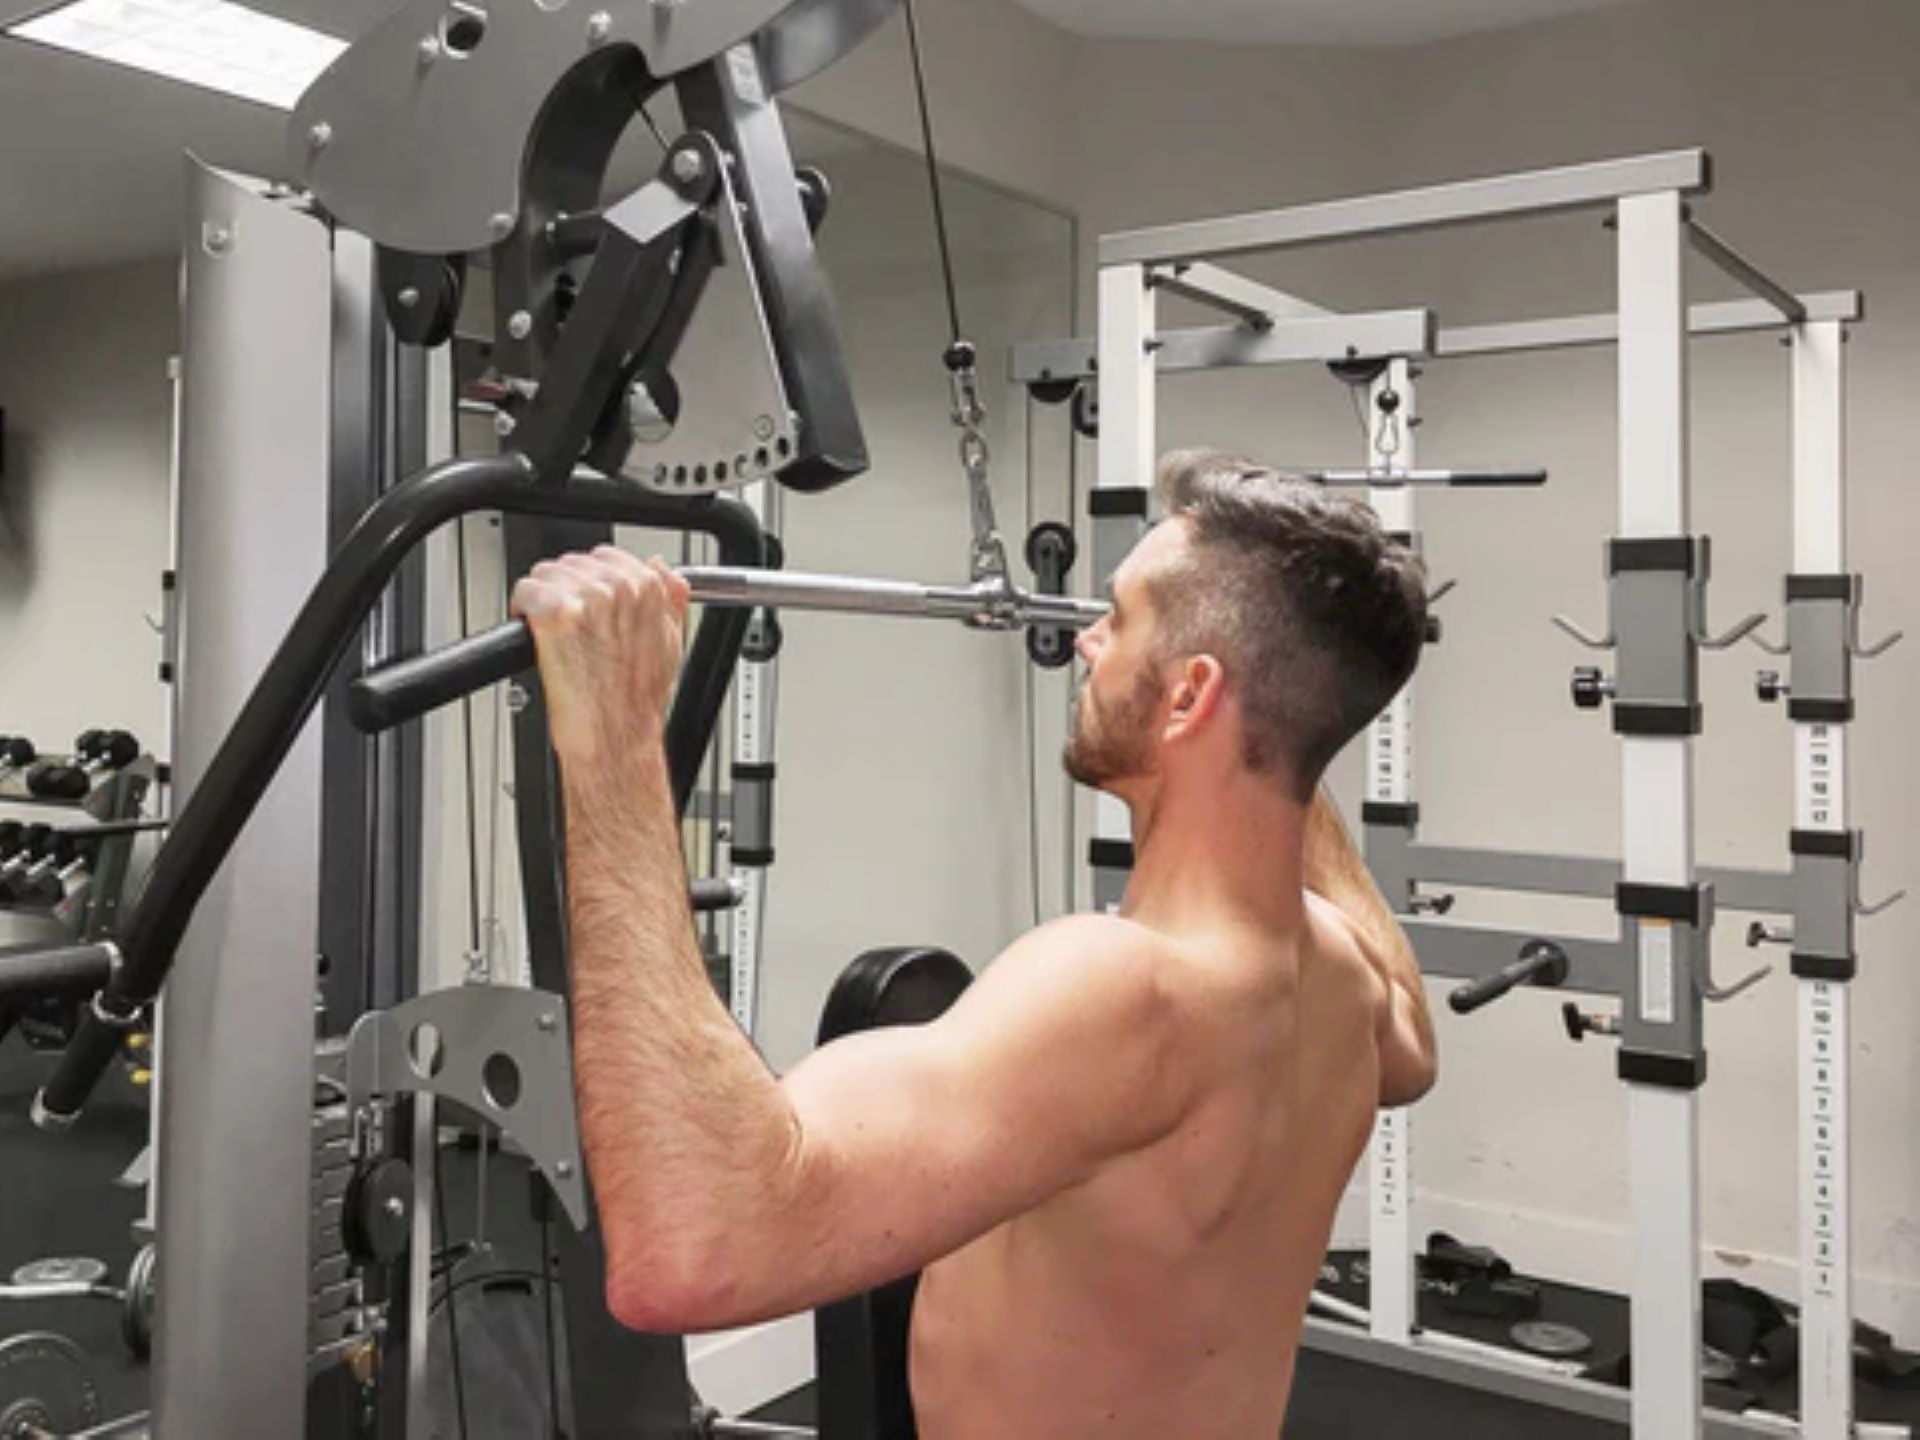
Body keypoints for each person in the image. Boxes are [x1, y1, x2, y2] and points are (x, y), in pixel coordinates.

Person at [512, 448, 1437, 1439]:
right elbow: (1413, 1053)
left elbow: (694, 1249)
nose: (1089, 640)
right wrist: (1287, 738)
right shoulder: (1342, 975)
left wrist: (612, 734)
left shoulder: (1126, 991)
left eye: (1119, 618)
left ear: (1187, 699)